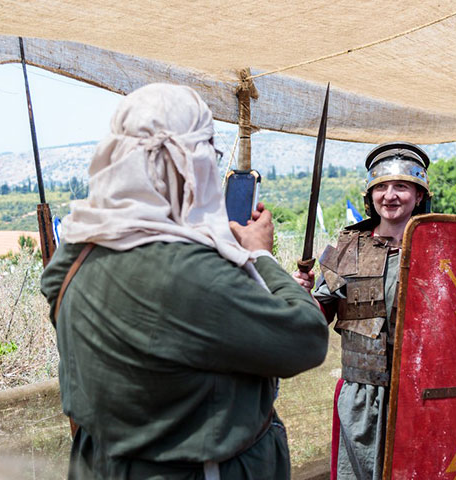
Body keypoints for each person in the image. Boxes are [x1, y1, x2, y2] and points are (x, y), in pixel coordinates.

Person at [41, 83, 329, 480]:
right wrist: (258, 254)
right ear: (188, 164)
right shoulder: (191, 274)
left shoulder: (75, 254)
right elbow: (307, 338)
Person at [294, 142, 431, 480]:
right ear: (370, 197)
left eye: (401, 186)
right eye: (381, 187)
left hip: (419, 390)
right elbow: (318, 315)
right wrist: (300, 295)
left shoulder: (439, 246)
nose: (390, 195)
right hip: (360, 393)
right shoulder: (348, 246)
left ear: (418, 194)